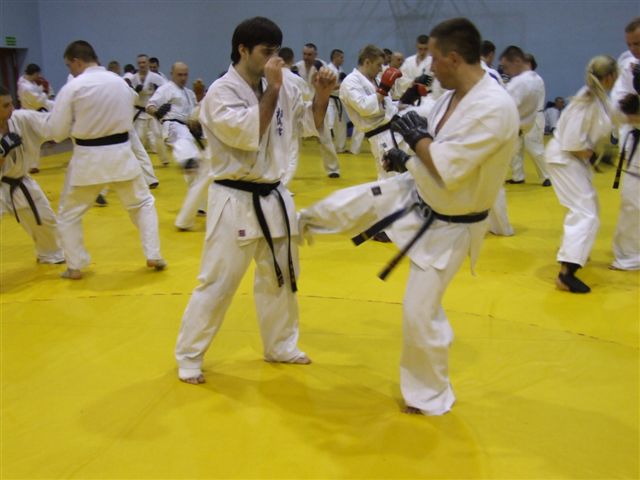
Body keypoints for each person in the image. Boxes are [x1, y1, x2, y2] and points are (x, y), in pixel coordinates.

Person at [299, 17, 518, 415]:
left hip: (450, 222)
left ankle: (430, 396)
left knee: (419, 313)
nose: (428, 66)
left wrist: (416, 141)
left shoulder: (493, 107)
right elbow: (428, 127)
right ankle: (295, 224)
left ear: (454, 58)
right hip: (419, 191)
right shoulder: (453, 94)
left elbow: (447, 169)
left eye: (434, 58)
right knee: (350, 203)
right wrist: (407, 153)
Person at [174, 17, 336, 384]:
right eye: (266, 52)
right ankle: (189, 355)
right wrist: (275, 87)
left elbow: (307, 125)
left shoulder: (282, 84)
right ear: (243, 50)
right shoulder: (221, 93)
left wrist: (322, 96)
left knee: (281, 278)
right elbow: (253, 130)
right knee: (218, 282)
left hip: (274, 195)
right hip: (234, 198)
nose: (273, 59)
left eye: (277, 51)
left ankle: (281, 345)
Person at [48, 40, 166, 279]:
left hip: (88, 160)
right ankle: (153, 253)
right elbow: (132, 104)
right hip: (121, 155)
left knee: (69, 214)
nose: (70, 70)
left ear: (76, 61)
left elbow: (57, 132)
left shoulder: (73, 87)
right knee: (143, 204)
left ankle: (75, 265)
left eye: (69, 65)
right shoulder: (120, 83)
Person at [545, 56, 619, 293]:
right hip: (564, 159)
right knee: (584, 212)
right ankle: (566, 273)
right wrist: (596, 155)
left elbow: (614, 120)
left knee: (590, 208)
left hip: (573, 160)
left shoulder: (599, 98)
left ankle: (576, 254)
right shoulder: (586, 100)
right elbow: (572, 143)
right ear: (610, 77)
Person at [0, 86, 65, 264]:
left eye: (11, 103)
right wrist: (2, 152)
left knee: (45, 219)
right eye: (5, 106)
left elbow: (49, 123)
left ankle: (49, 253)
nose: (11, 108)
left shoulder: (20, 118)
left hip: (20, 181)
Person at [147, 62, 208, 231]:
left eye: (185, 74)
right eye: (179, 74)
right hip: (173, 126)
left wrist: (199, 94)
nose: (183, 78)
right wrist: (157, 113)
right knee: (186, 151)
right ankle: (186, 160)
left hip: (187, 129)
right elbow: (150, 105)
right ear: (172, 74)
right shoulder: (166, 89)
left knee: (197, 172)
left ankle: (199, 206)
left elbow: (195, 113)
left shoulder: (189, 93)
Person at [339, 44, 408, 178]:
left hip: (394, 129)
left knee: (404, 176)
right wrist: (383, 89)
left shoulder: (376, 80)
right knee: (389, 179)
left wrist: (407, 99)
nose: (381, 68)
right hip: (380, 136)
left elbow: (387, 105)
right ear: (367, 62)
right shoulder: (350, 82)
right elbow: (364, 108)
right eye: (378, 65)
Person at [610, 17, 640, 271]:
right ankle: (629, 256)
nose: (633, 49)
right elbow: (617, 103)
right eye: (629, 43)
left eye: (638, 43)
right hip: (635, 138)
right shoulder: (628, 63)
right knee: (633, 199)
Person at [500, 46, 551, 186]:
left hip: (534, 116)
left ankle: (546, 176)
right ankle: (518, 176)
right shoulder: (520, 80)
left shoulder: (535, 79)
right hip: (519, 118)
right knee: (515, 149)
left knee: (534, 148)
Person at [294, 43, 340, 178]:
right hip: (300, 105)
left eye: (309, 54)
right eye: (304, 54)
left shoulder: (322, 67)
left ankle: (333, 169)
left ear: (315, 55)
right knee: (292, 139)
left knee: (325, 138)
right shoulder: (296, 67)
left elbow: (331, 84)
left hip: (317, 105)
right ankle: (287, 170)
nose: (306, 57)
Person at [131, 54, 170, 166]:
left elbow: (167, 88)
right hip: (139, 112)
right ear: (137, 64)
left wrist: (158, 90)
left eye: (144, 62)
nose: (142, 65)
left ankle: (164, 160)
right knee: (139, 137)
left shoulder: (155, 78)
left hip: (152, 111)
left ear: (147, 63)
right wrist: (135, 91)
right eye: (140, 63)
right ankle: (138, 161)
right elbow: (129, 94)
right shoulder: (134, 78)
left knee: (158, 135)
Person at [17, 63, 55, 173]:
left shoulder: (29, 82)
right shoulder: (25, 87)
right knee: (31, 141)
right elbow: (37, 102)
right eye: (38, 74)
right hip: (29, 115)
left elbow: (39, 98)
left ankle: (32, 165)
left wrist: (42, 90)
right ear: (34, 73)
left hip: (34, 114)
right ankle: (31, 165)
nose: (39, 76)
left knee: (34, 141)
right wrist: (44, 92)